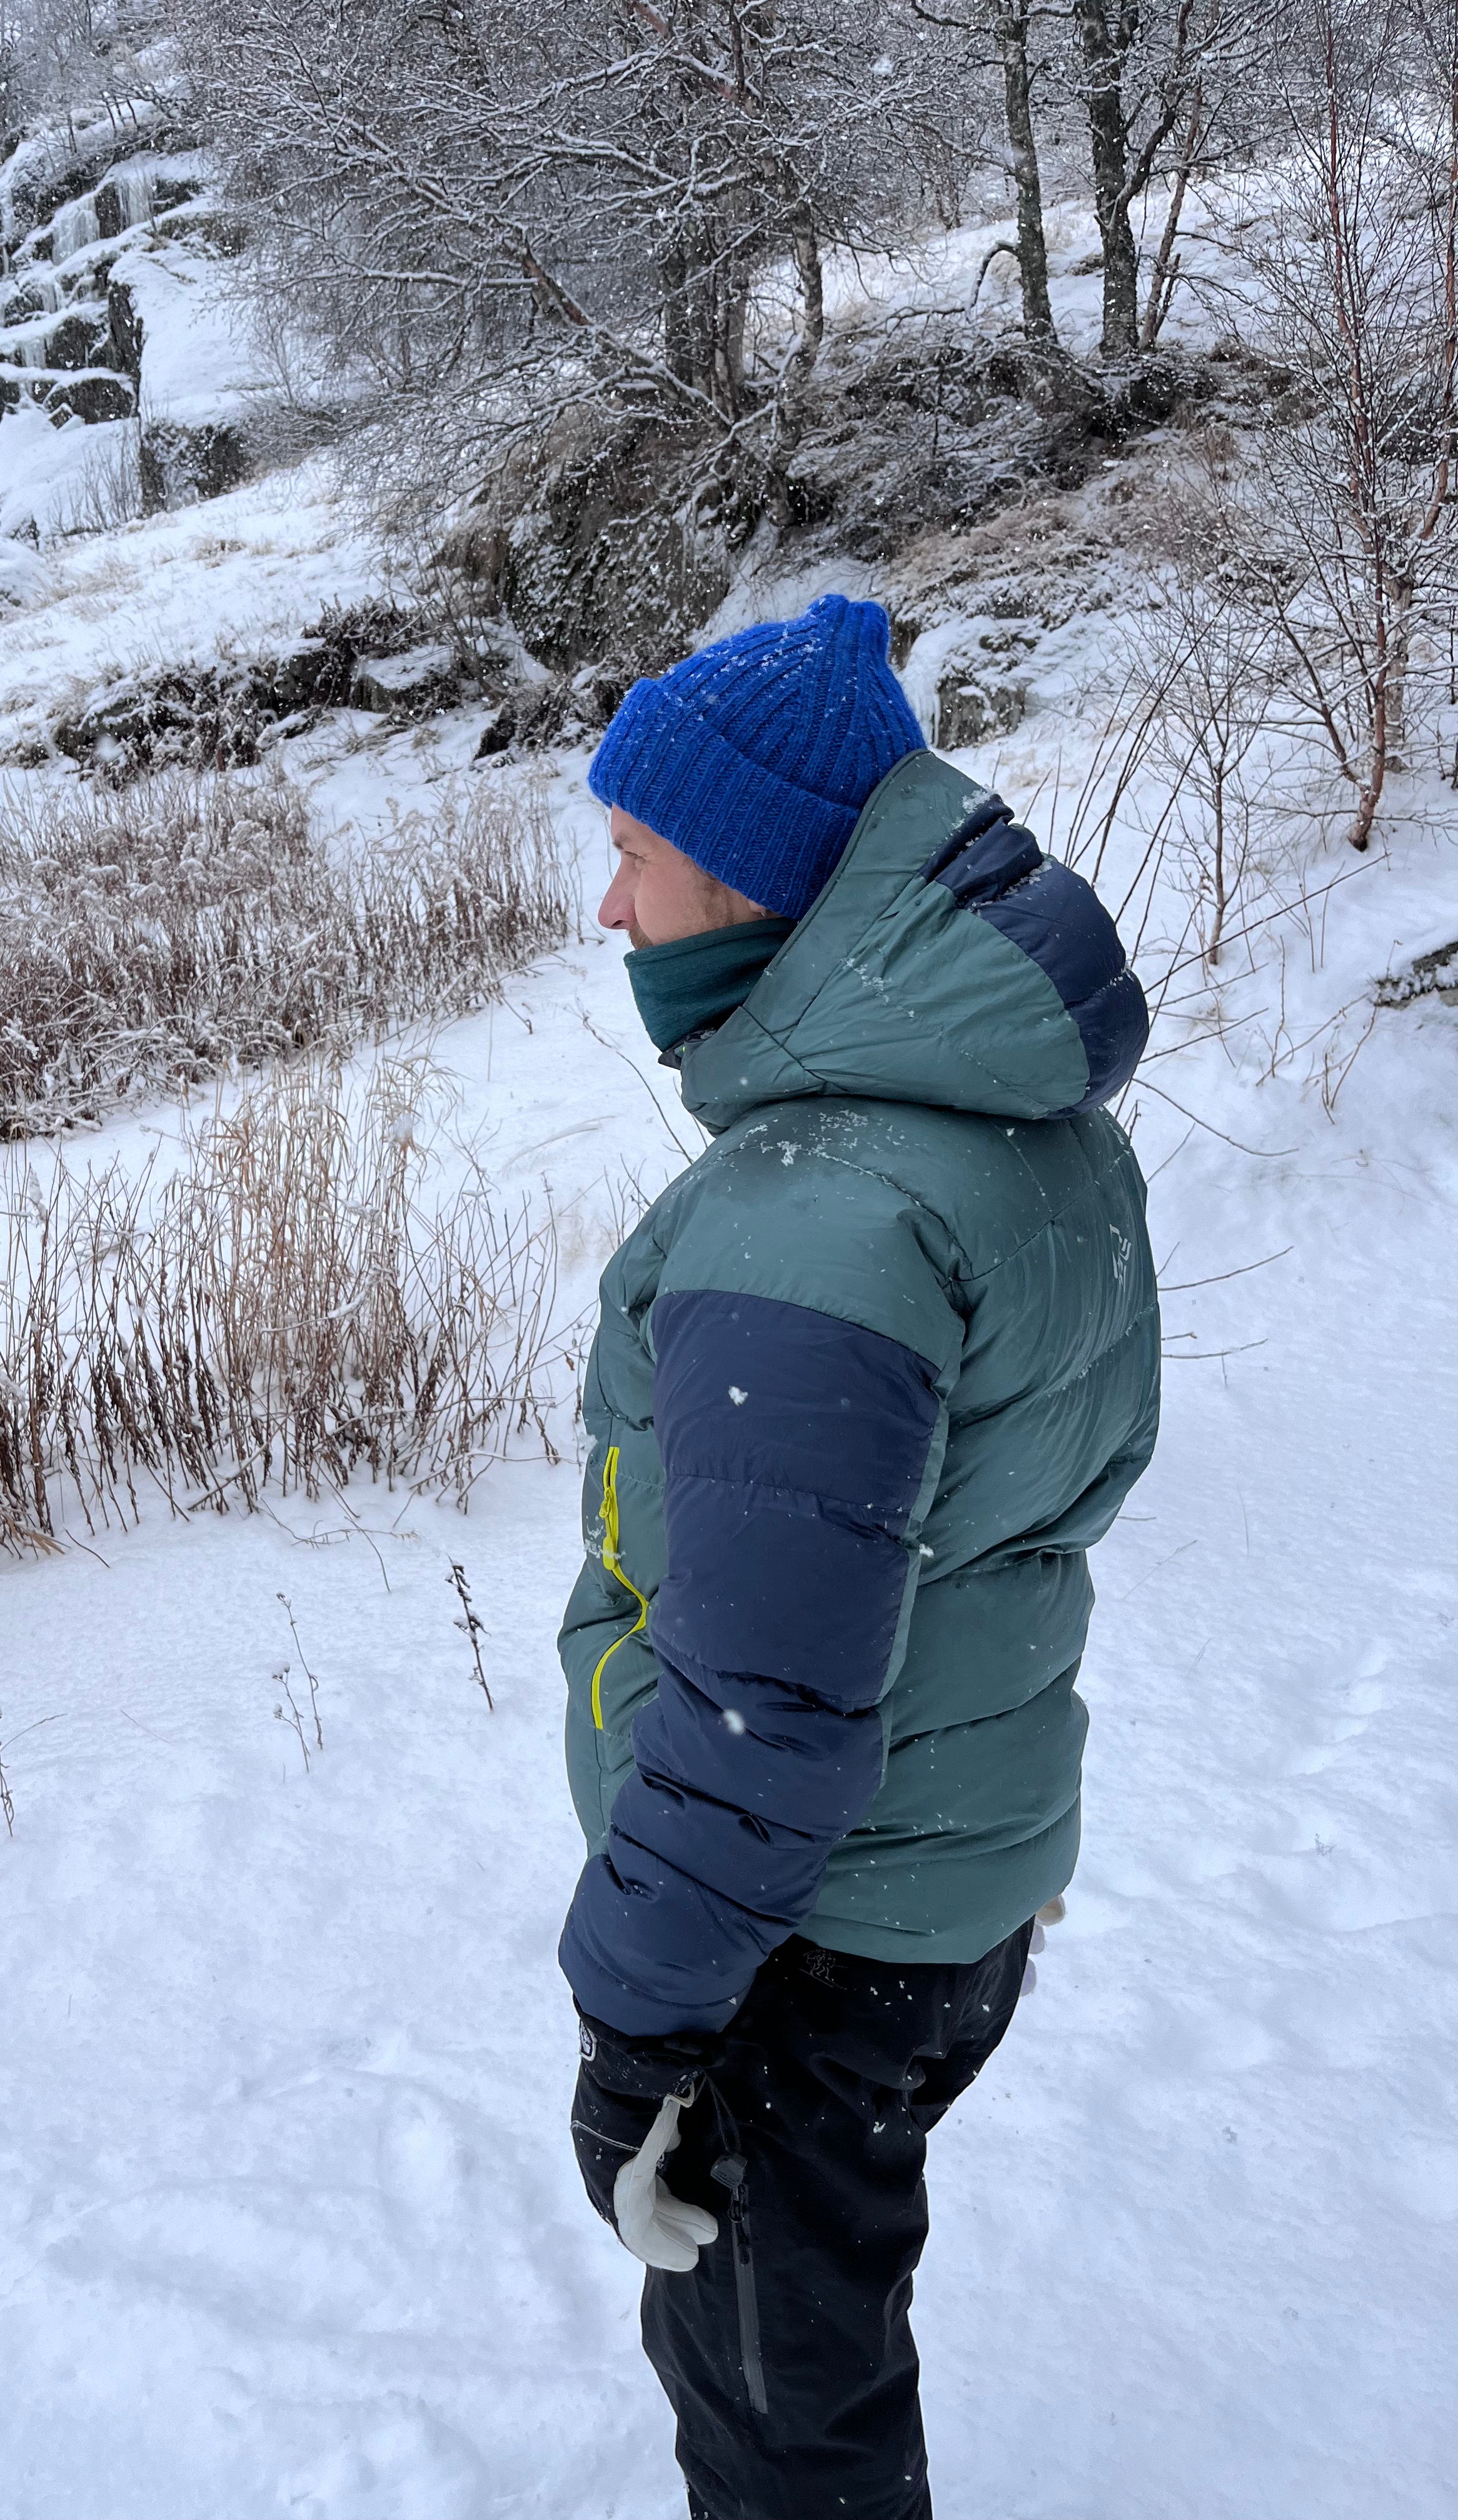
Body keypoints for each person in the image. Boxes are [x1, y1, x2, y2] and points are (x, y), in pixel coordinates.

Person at [557, 593, 1160, 2520]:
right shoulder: (1019, 1130)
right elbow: (1035, 1493)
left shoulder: (812, 1215)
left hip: (795, 1949)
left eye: (633, 859)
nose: (608, 912)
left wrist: (641, 2022)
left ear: (741, 881)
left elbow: (760, 1714)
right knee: (826, 2316)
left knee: (781, 2419)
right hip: (955, 1891)